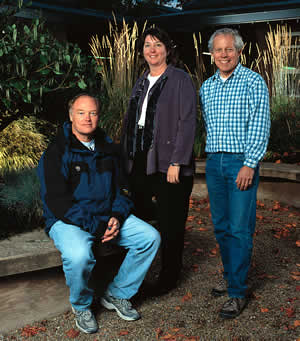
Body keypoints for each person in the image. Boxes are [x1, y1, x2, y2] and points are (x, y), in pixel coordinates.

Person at [37, 93, 161, 334]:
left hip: (106, 216)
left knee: (150, 238)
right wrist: (98, 226)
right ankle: (81, 306)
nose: (87, 118)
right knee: (79, 255)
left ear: (98, 116)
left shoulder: (110, 149)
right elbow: (58, 202)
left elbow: (124, 190)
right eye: (81, 113)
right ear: (71, 116)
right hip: (67, 220)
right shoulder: (56, 152)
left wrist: (116, 215)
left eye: (93, 113)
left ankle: (117, 293)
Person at [199, 28, 270, 319]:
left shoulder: (254, 82)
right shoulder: (207, 87)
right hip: (214, 163)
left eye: (229, 49)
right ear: (212, 54)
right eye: (218, 50)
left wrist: (249, 163)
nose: (224, 54)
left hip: (241, 161)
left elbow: (260, 124)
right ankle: (230, 277)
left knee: (240, 229)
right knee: (221, 226)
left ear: (239, 51)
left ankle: (237, 292)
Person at [121, 27, 197, 296]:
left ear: (167, 49)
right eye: (147, 45)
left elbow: (187, 122)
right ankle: (135, 275)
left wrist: (178, 161)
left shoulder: (179, 79)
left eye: (157, 44)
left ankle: (168, 278)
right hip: (141, 160)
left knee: (171, 222)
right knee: (138, 216)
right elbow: (131, 122)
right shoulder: (141, 80)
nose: (152, 49)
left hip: (169, 163)